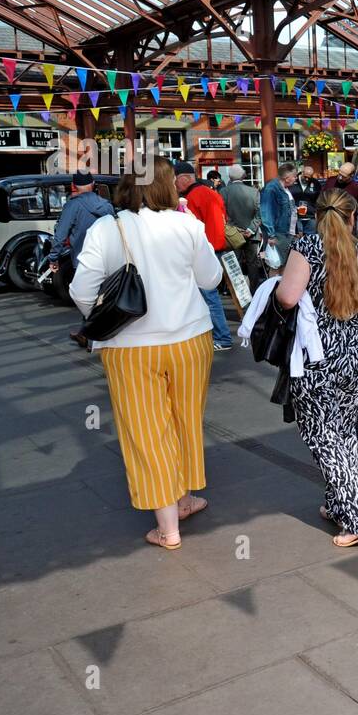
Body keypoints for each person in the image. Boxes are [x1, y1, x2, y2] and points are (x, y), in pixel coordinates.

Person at [70, 158, 223, 551]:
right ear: (167, 186)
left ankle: (168, 528)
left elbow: (80, 289)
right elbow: (211, 278)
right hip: (190, 339)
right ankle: (186, 497)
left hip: (129, 348)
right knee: (185, 420)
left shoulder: (107, 227)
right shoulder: (186, 223)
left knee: (146, 432)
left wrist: (101, 320)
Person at [275, 188, 358, 547]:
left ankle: (357, 518)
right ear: (353, 218)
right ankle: (338, 506)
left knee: (322, 436)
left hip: (316, 357)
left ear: (317, 216)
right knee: (343, 432)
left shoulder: (306, 249)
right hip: (356, 356)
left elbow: (288, 297)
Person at [174, 160, 233, 351]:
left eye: (174, 179)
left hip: (206, 250)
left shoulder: (192, 197)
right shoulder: (210, 192)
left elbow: (198, 229)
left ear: (183, 179)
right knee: (210, 295)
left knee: (209, 296)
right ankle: (217, 335)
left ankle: (222, 337)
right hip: (216, 246)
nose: (173, 184)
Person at [48, 173, 113, 296]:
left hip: (82, 260)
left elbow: (60, 235)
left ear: (73, 186)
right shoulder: (107, 205)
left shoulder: (72, 206)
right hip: (106, 260)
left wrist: (53, 258)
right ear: (93, 184)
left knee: (86, 298)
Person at [219, 164, 264, 288]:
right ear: (244, 176)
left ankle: (238, 292)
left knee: (234, 264)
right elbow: (260, 213)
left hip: (232, 234)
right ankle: (255, 291)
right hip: (251, 233)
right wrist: (251, 228)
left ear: (229, 176)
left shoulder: (223, 192)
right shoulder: (254, 192)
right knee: (253, 264)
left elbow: (221, 213)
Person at [260, 162, 298, 269]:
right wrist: (271, 235)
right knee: (275, 264)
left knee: (284, 264)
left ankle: (281, 285)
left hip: (287, 233)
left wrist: (297, 230)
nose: (296, 179)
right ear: (287, 178)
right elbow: (266, 212)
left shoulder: (285, 188)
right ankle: (274, 285)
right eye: (294, 176)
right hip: (278, 233)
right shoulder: (271, 189)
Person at [335, 161, 358, 234]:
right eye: (339, 174)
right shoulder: (331, 182)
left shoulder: (356, 188)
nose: (340, 178)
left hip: (348, 226)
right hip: (330, 224)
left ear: (351, 175)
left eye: (343, 176)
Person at [291, 166, 322, 235]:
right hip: (295, 217)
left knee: (310, 240)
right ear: (302, 173)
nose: (307, 179)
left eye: (309, 177)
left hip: (310, 217)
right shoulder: (293, 181)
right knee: (297, 240)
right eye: (305, 176)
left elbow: (319, 199)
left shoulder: (316, 183)